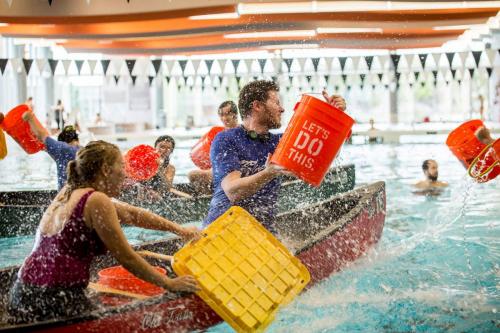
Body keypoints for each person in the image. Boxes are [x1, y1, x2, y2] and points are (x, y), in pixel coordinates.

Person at [7, 141, 200, 324]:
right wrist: (170, 284)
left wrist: (179, 230)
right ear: (106, 170)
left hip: (22, 292)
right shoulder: (97, 199)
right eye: (122, 167)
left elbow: (132, 214)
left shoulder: (68, 191)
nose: (125, 174)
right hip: (54, 298)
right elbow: (128, 258)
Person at [202, 80, 346, 234]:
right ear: (257, 106)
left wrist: (334, 115)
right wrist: (270, 172)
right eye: (277, 102)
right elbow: (233, 191)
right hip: (222, 232)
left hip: (263, 234)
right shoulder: (226, 139)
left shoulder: (281, 142)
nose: (282, 109)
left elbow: (325, 155)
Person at [188, 101, 239, 194]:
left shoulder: (241, 132)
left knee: (193, 175)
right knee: (193, 175)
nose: (224, 118)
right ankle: (209, 196)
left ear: (235, 114)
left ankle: (212, 197)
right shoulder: (218, 133)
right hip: (220, 168)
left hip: (232, 170)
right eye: (221, 115)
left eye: (227, 114)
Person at [22, 110, 80, 190]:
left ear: (62, 142)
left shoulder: (62, 148)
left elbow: (41, 135)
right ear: (77, 139)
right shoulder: (85, 151)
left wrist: (30, 117)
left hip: (67, 199)